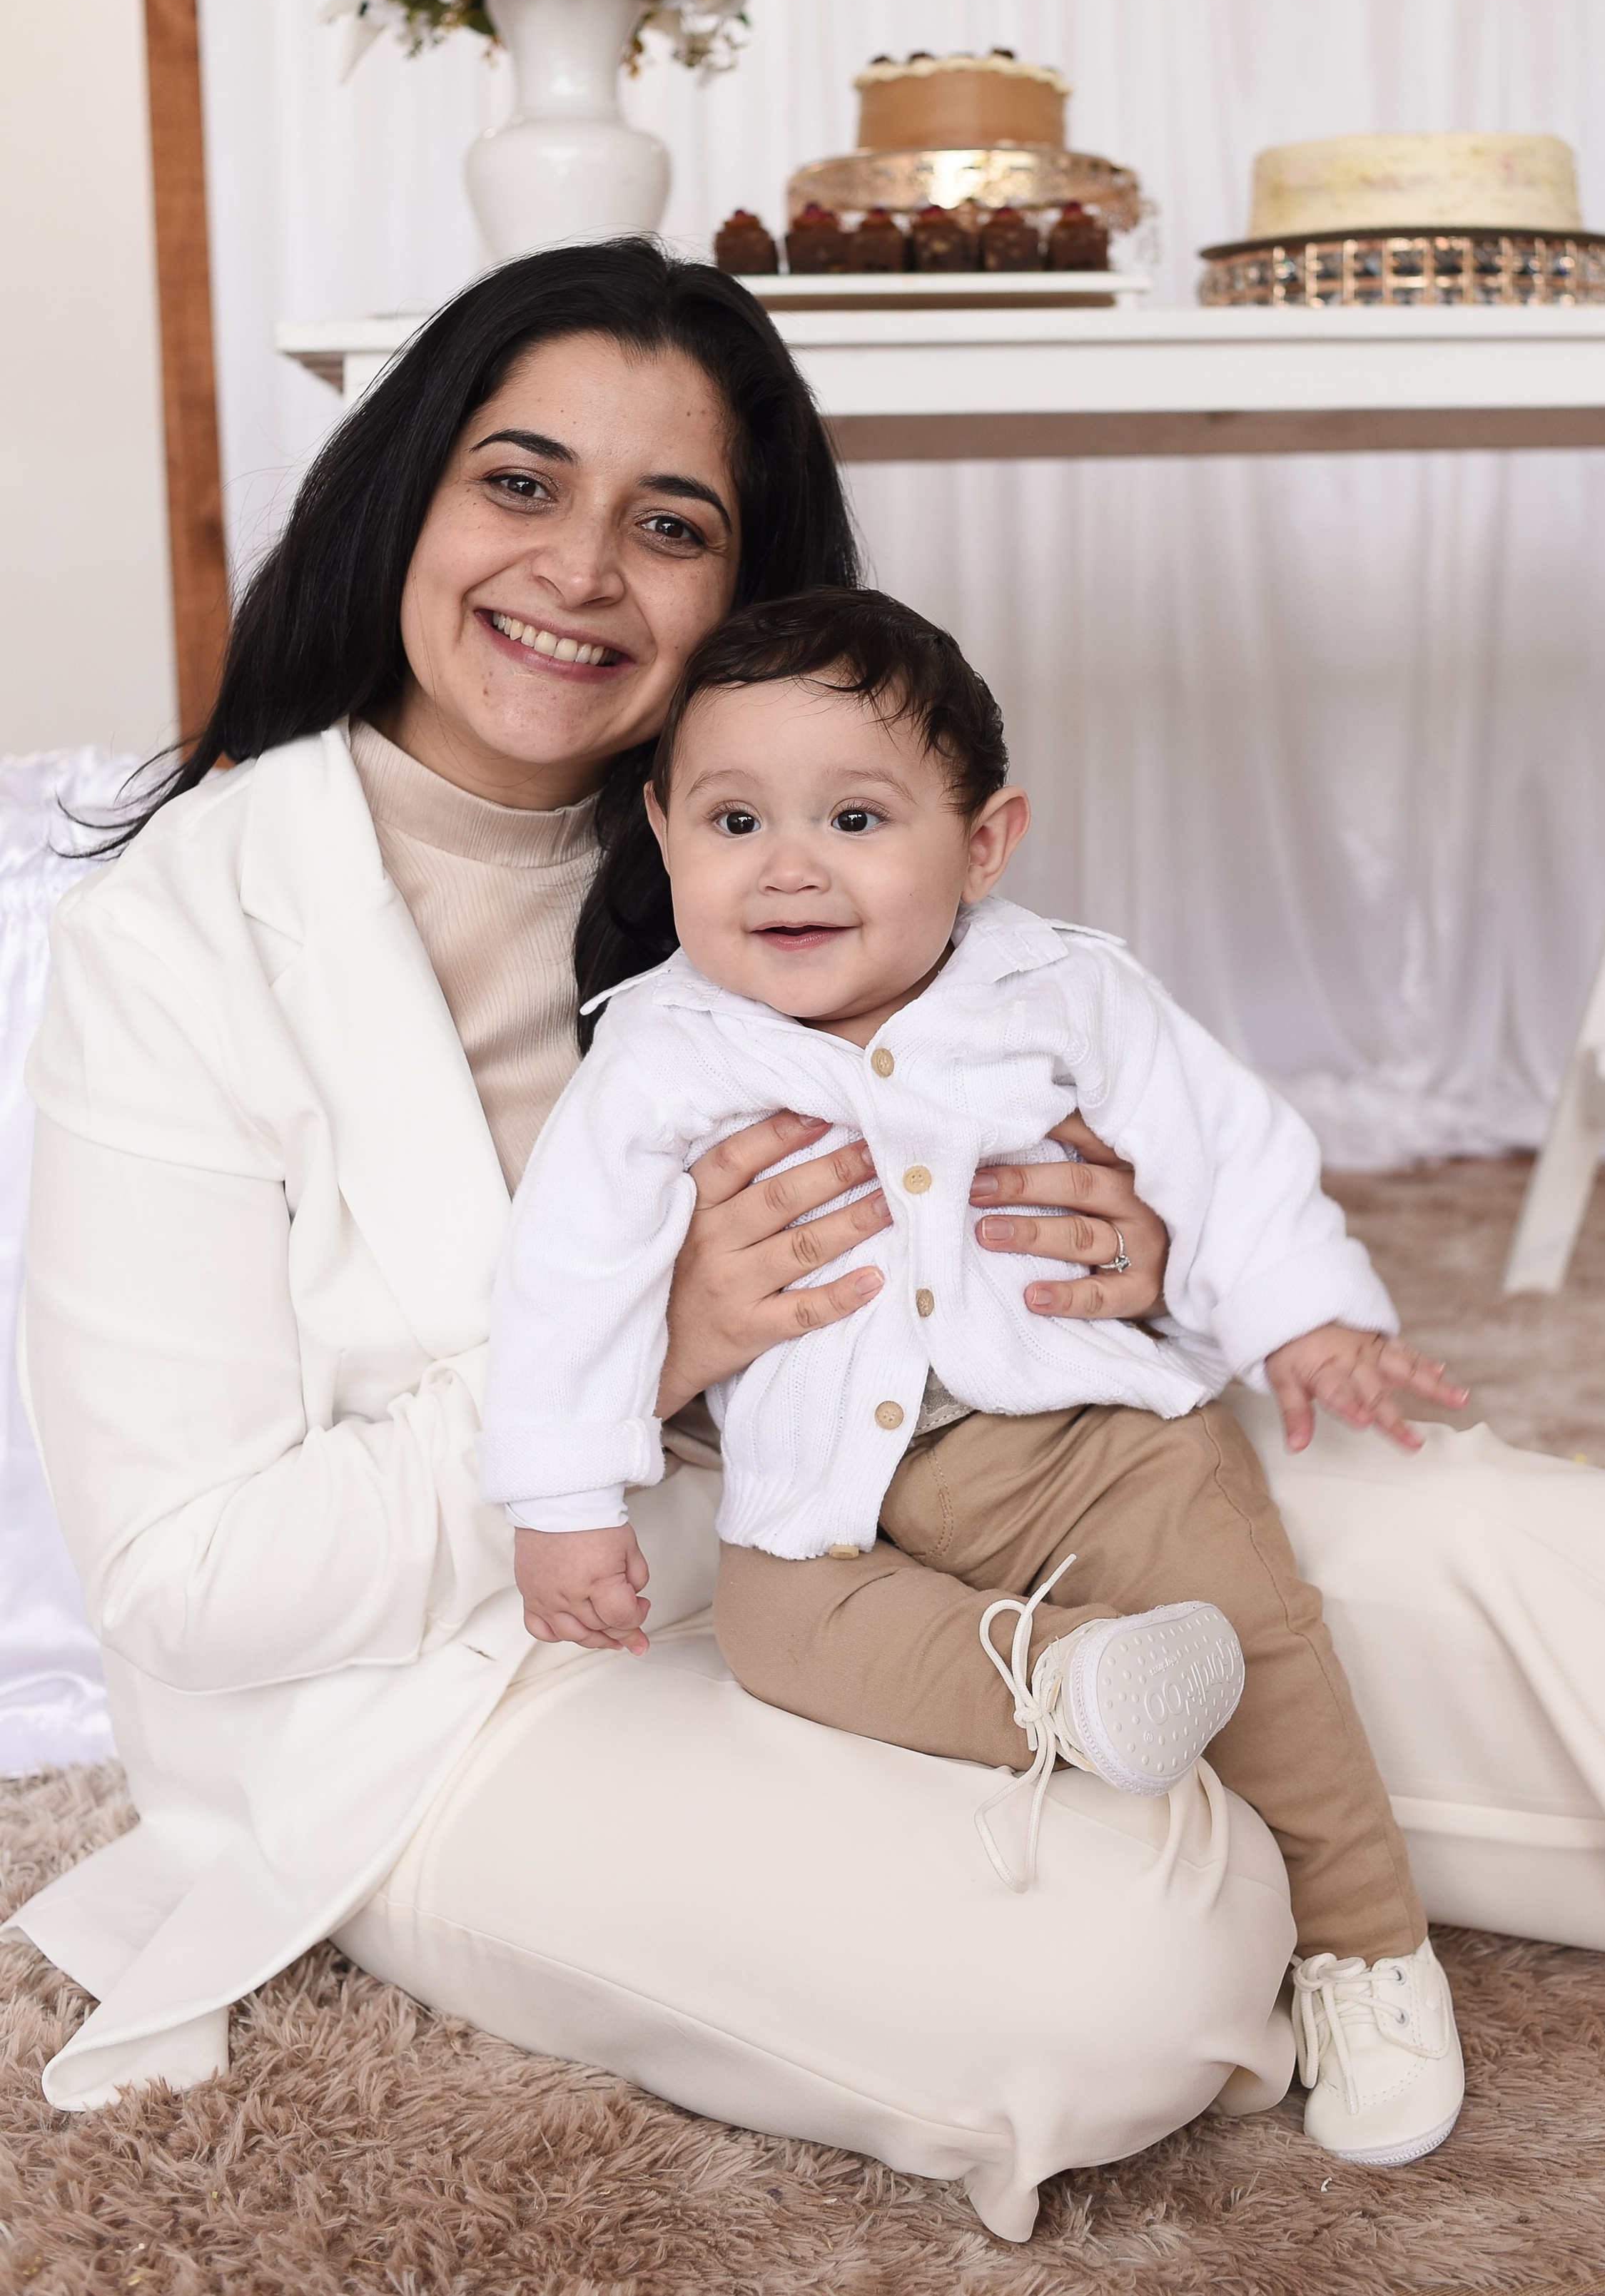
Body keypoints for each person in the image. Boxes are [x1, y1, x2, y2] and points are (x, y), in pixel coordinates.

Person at [12, 240, 1605, 2242]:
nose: (583, 568)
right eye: (520, 482)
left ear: (749, 592)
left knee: (1515, 1548)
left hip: (946, 1491)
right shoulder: (175, 937)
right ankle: (1287, 1857)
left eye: (670, 522)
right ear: (405, 495)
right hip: (471, 1682)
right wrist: (662, 1348)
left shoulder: (778, 833)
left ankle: (1346, 1813)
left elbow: (1072, 1106)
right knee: (1130, 1964)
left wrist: (1122, 1256)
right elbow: (190, 1588)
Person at [484, 584, 1474, 2165]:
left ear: (983, 841)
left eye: (855, 816)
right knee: (772, 1627)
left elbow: (1218, 1152)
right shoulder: (658, 1051)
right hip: (826, 1480)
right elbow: (569, 1281)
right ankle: (1072, 1680)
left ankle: (1364, 1949)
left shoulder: (1056, 990)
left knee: (1263, 1630)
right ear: (662, 830)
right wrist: (559, 1494)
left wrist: (1303, 1318)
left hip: (1084, 1434)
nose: (788, 862)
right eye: (734, 817)